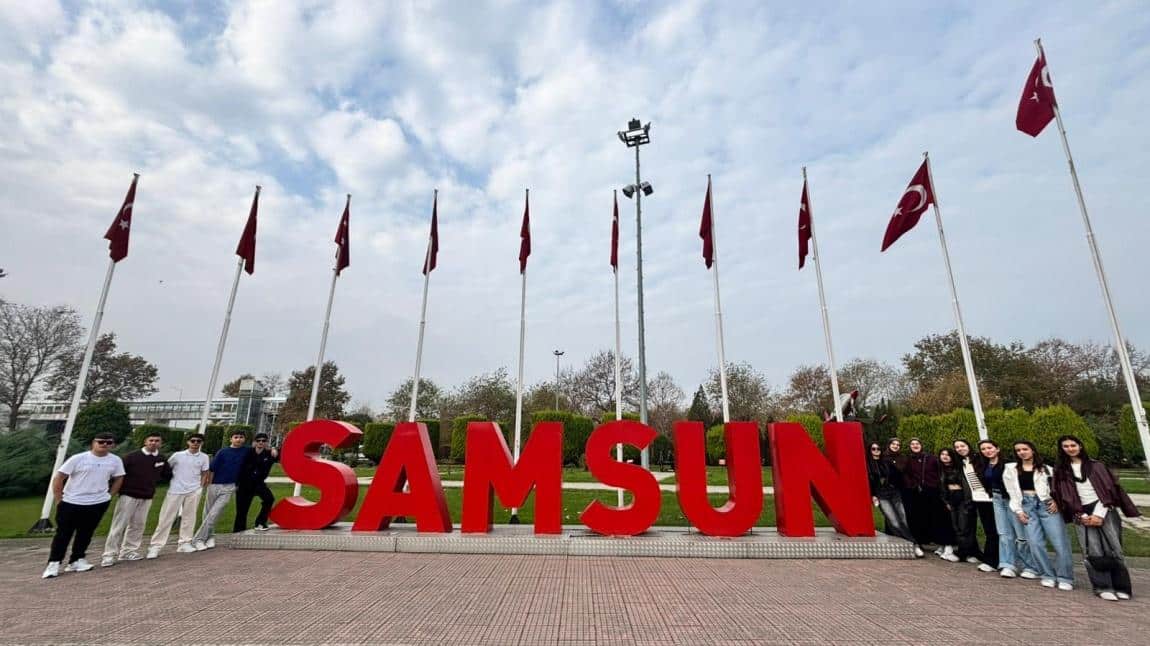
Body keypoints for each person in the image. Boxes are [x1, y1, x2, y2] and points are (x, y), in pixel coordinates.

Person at [1051, 434, 1140, 601]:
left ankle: (1121, 586)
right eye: (1066, 446)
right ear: (1061, 449)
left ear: (1080, 446)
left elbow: (1109, 489)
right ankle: (1102, 586)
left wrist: (1099, 514)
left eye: (1073, 445)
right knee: (1092, 550)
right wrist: (1081, 515)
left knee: (1113, 547)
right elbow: (1063, 495)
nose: (1070, 449)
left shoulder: (1096, 466)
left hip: (1104, 509)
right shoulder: (1061, 470)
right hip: (1080, 512)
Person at [43, 433, 126, 579]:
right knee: (63, 534)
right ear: (93, 443)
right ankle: (54, 563)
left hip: (97, 502)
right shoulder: (78, 458)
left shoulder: (115, 460)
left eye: (108, 442)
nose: (104, 445)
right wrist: (59, 499)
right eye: (101, 442)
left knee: (86, 533)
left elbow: (119, 477)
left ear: (113, 445)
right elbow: (59, 477)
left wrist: (109, 495)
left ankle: (76, 559)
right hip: (72, 502)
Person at [1004, 440, 1073, 591]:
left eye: (1025, 449)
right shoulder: (1011, 470)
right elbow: (1012, 493)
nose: (1022, 452)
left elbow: (1058, 488)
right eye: (1018, 450)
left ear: (1033, 450)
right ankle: (1047, 574)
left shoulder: (1047, 469)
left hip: (1046, 505)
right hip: (1026, 505)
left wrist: (1056, 502)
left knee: (1059, 542)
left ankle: (1065, 577)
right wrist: (1018, 511)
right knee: (1035, 543)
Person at [100, 431, 172, 567]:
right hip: (128, 495)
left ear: (160, 443)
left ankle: (129, 551)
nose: (153, 443)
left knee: (138, 525)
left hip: (147, 496)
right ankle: (109, 554)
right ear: (145, 442)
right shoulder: (132, 457)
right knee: (119, 525)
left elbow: (166, 474)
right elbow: (118, 474)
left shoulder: (161, 459)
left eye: (157, 441)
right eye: (151, 440)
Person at [980, 439, 1039, 579]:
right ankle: (1008, 564)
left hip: (1011, 499)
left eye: (990, 447)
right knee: (1004, 533)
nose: (987, 451)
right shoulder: (985, 465)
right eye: (983, 449)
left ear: (997, 448)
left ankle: (1030, 566)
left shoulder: (1009, 465)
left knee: (1020, 534)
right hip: (997, 499)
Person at [148, 433, 211, 558]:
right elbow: (167, 469)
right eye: (193, 441)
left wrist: (200, 487)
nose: (195, 443)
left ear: (201, 443)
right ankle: (156, 546)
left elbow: (205, 472)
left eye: (198, 441)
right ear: (188, 442)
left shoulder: (204, 457)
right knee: (166, 517)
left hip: (193, 490)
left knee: (189, 517)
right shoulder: (178, 455)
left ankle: (184, 542)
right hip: (176, 490)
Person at [192, 432, 251, 551]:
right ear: (231, 439)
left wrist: (273, 450)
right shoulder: (223, 452)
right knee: (207, 513)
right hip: (215, 485)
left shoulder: (247, 451)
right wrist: (209, 485)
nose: (238, 439)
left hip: (229, 487)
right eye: (236, 437)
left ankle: (198, 539)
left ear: (244, 439)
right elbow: (212, 469)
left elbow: (260, 448)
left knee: (214, 514)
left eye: (241, 437)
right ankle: (210, 537)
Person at [866, 441, 920, 556]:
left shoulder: (886, 462)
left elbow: (898, 476)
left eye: (878, 449)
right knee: (894, 522)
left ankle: (913, 545)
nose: (876, 451)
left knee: (903, 519)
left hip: (894, 493)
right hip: (881, 495)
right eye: (873, 449)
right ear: (869, 451)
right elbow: (868, 483)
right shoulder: (867, 465)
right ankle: (911, 544)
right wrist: (873, 495)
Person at [902, 438, 954, 557]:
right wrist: (912, 485)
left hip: (933, 491)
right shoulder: (908, 460)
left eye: (917, 443)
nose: (915, 445)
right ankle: (922, 541)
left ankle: (946, 543)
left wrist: (936, 484)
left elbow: (940, 471)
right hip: (917, 493)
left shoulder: (931, 458)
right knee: (920, 518)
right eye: (912, 444)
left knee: (939, 518)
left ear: (921, 445)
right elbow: (906, 474)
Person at [954, 439, 997, 572]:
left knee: (993, 530)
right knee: (987, 529)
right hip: (977, 498)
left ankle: (992, 560)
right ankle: (986, 557)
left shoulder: (980, 459)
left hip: (989, 497)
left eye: (962, 446)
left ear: (969, 446)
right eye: (957, 447)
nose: (960, 448)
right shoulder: (962, 462)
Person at [233, 433, 279, 532]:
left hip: (259, 483)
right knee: (242, 511)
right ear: (254, 442)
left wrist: (274, 448)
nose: (261, 442)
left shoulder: (269, 454)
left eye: (263, 441)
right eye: (258, 440)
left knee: (269, 499)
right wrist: (236, 484)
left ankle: (260, 522)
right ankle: (238, 531)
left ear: (266, 442)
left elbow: (284, 451)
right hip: (245, 484)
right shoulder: (247, 452)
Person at [936, 448, 970, 563]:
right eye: (942, 454)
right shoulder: (940, 469)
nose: (945, 456)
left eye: (948, 454)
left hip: (961, 498)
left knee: (963, 526)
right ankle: (955, 551)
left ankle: (964, 553)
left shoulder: (959, 467)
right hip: (949, 499)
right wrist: (946, 501)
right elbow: (942, 487)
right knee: (955, 526)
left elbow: (963, 485)